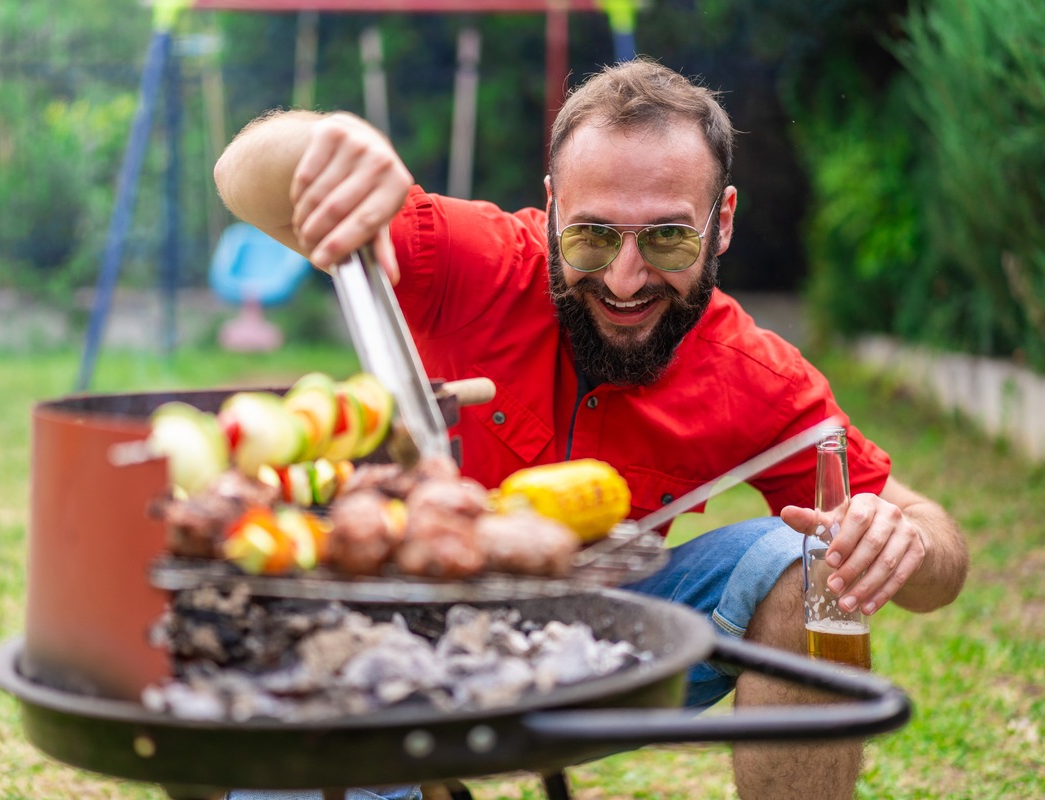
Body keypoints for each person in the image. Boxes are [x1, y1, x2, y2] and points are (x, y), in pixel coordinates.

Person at [213, 57, 969, 800]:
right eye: (592, 237)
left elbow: (939, 561)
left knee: (804, 564)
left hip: (592, 650)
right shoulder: (468, 260)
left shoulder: (757, 377)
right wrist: (330, 146)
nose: (625, 278)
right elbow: (243, 177)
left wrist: (903, 539)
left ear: (723, 223)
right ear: (550, 209)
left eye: (669, 238)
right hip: (395, 648)